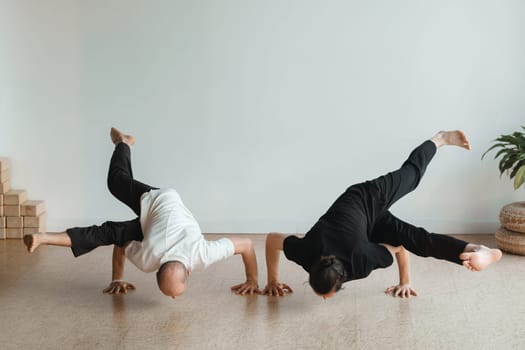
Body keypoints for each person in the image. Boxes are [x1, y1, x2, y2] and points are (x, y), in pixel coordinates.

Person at [23, 127, 260, 298]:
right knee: (116, 184)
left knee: (109, 232)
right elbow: (247, 244)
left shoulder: (191, 255)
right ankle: (123, 142)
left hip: (152, 227)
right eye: (174, 294)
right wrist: (253, 280)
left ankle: (43, 237)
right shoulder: (185, 255)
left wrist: (252, 280)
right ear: (187, 271)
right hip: (159, 201)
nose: (174, 298)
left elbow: (247, 246)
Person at [262, 130, 502, 299]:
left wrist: (405, 281)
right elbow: (273, 240)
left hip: (366, 196)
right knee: (422, 241)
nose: (325, 299)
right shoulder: (305, 253)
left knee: (411, 177)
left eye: (324, 295)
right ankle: (477, 249)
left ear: (342, 282)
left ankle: (439, 138)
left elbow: (398, 247)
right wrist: (272, 281)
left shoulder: (360, 260)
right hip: (368, 225)